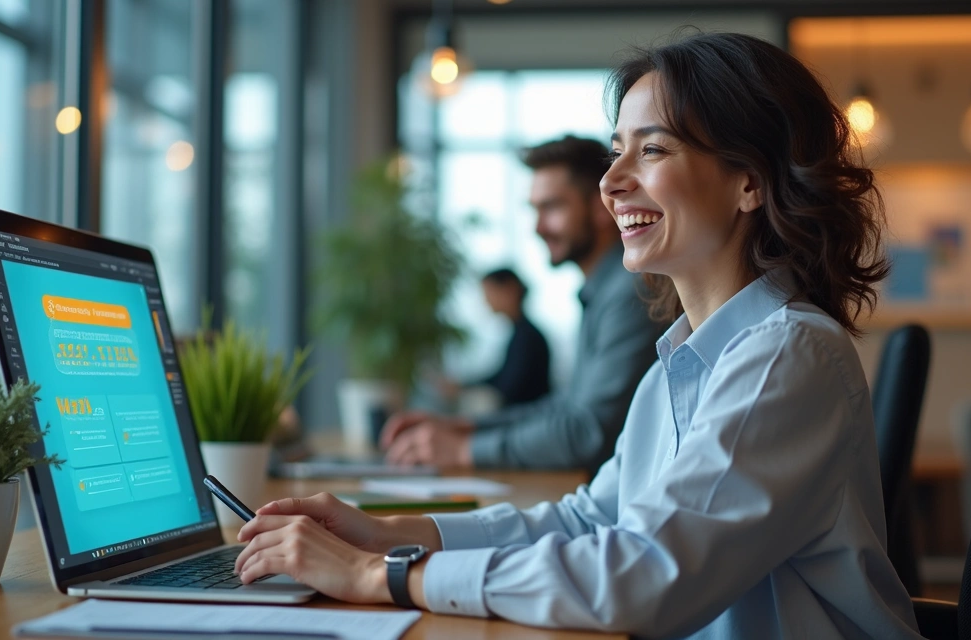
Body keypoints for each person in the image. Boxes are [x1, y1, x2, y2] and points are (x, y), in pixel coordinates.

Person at [230, 32, 922, 638]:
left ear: (749, 181)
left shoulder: (786, 354)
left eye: (651, 149)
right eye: (616, 153)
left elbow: (641, 580)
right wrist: (393, 531)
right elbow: (591, 520)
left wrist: (382, 574)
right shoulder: (683, 364)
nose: (612, 183)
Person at [381, 135, 661, 472]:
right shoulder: (604, 292)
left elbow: (587, 433)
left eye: (552, 207)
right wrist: (466, 427)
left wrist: (464, 449)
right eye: (534, 209)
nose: (538, 227)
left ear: (603, 206)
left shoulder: (630, 292)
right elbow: (567, 409)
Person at [440, 268, 551, 408]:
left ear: (510, 289)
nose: (486, 301)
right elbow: (501, 377)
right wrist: (463, 386)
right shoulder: (521, 333)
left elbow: (508, 387)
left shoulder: (527, 338)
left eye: (489, 293)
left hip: (527, 419)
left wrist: (466, 390)